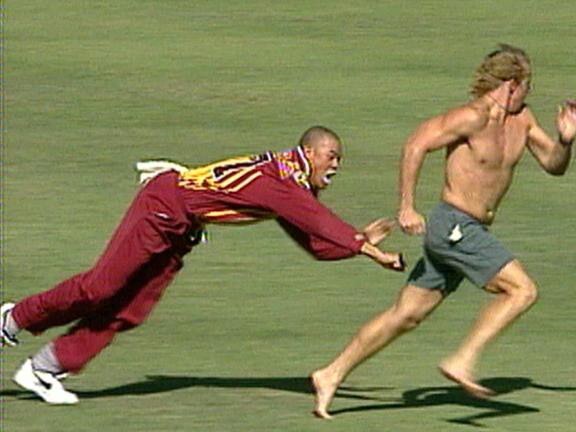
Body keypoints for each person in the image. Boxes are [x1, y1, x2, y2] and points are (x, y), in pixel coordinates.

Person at [1, 126, 405, 405]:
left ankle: (44, 369)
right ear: (311, 151)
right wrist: (369, 250)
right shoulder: (285, 181)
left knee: (131, 308)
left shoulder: (290, 182)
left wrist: (356, 245)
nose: (335, 166)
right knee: (100, 287)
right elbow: (320, 223)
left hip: (182, 226)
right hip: (163, 206)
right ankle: (13, 318)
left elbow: (315, 244)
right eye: (332, 156)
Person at [310, 44, 576, 419]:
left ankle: (329, 374)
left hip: (467, 232)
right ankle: (463, 359)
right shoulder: (471, 117)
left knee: (406, 315)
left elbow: (554, 164)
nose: (529, 93)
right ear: (512, 84)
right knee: (522, 290)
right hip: (453, 224)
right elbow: (416, 144)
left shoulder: (523, 121)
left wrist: (566, 140)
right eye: (528, 85)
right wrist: (406, 206)